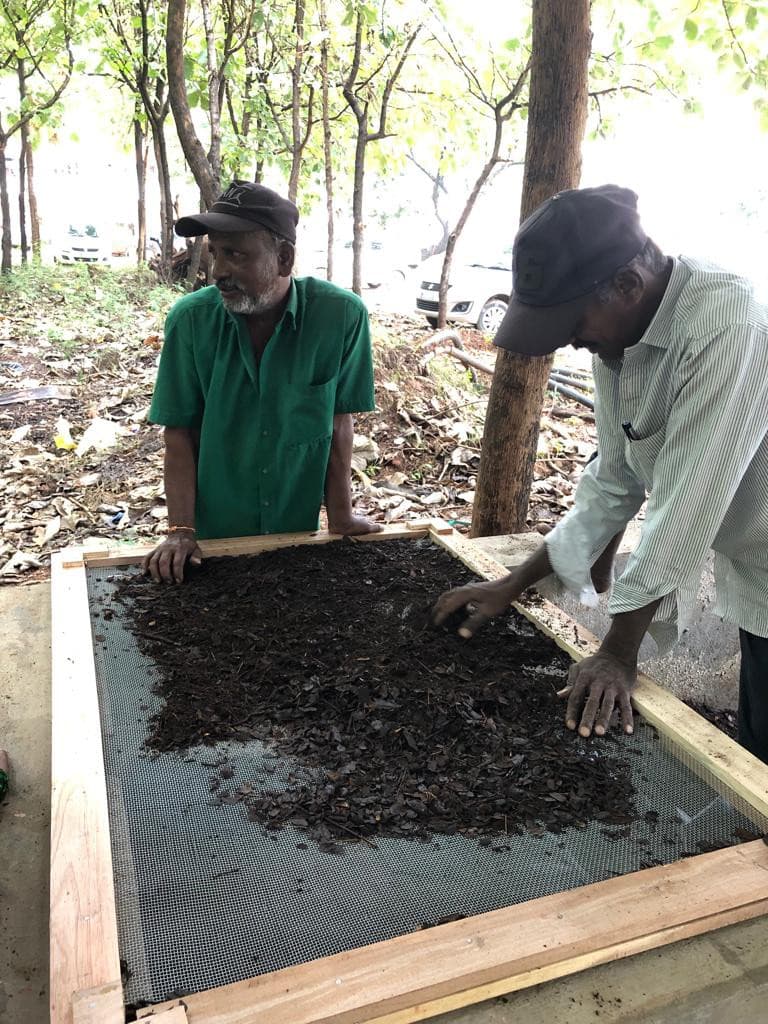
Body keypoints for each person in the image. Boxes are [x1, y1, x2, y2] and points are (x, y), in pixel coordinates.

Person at [434, 184, 768, 763]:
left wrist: (617, 653)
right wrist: (517, 581)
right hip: (757, 569)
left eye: (573, 324)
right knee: (759, 748)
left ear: (627, 285)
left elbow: (686, 505)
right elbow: (614, 480)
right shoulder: (619, 339)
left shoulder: (725, 323)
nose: (571, 342)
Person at [143, 180, 380, 583]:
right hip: (214, 542)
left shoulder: (341, 317)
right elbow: (178, 433)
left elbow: (339, 421)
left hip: (295, 536)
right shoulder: (190, 321)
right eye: (215, 252)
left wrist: (340, 515)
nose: (217, 271)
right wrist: (180, 532)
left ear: (284, 259)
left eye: (235, 254)